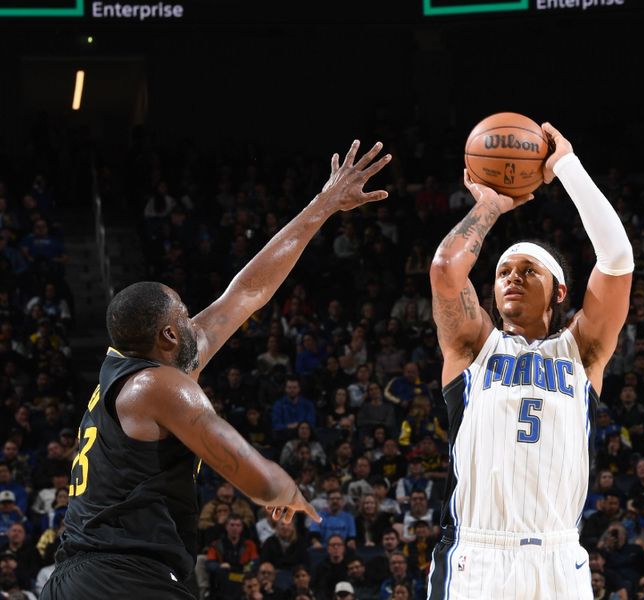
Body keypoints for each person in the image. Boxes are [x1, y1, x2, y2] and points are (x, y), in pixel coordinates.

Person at [40, 140, 392, 599]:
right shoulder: (157, 384)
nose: (194, 319)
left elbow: (245, 293)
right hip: (122, 579)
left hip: (80, 578)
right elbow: (258, 477)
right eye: (184, 314)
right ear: (167, 336)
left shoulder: (130, 368)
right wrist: (285, 490)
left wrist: (324, 204)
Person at [426, 122, 633, 599]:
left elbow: (618, 258)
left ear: (559, 290)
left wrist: (566, 166)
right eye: (502, 272)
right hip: (477, 555)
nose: (512, 278)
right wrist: (490, 206)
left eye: (527, 270)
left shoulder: (582, 350)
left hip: (559, 557)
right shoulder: (474, 345)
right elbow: (444, 269)